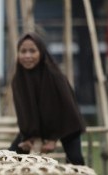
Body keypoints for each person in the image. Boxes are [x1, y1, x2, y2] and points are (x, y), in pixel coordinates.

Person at [8, 32, 86, 165]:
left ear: (41, 52)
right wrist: (28, 136)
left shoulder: (53, 75)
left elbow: (65, 109)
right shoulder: (18, 79)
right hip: (37, 127)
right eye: (23, 51)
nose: (27, 56)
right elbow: (24, 113)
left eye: (32, 51)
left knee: (75, 160)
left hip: (65, 124)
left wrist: (53, 139)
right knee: (11, 157)